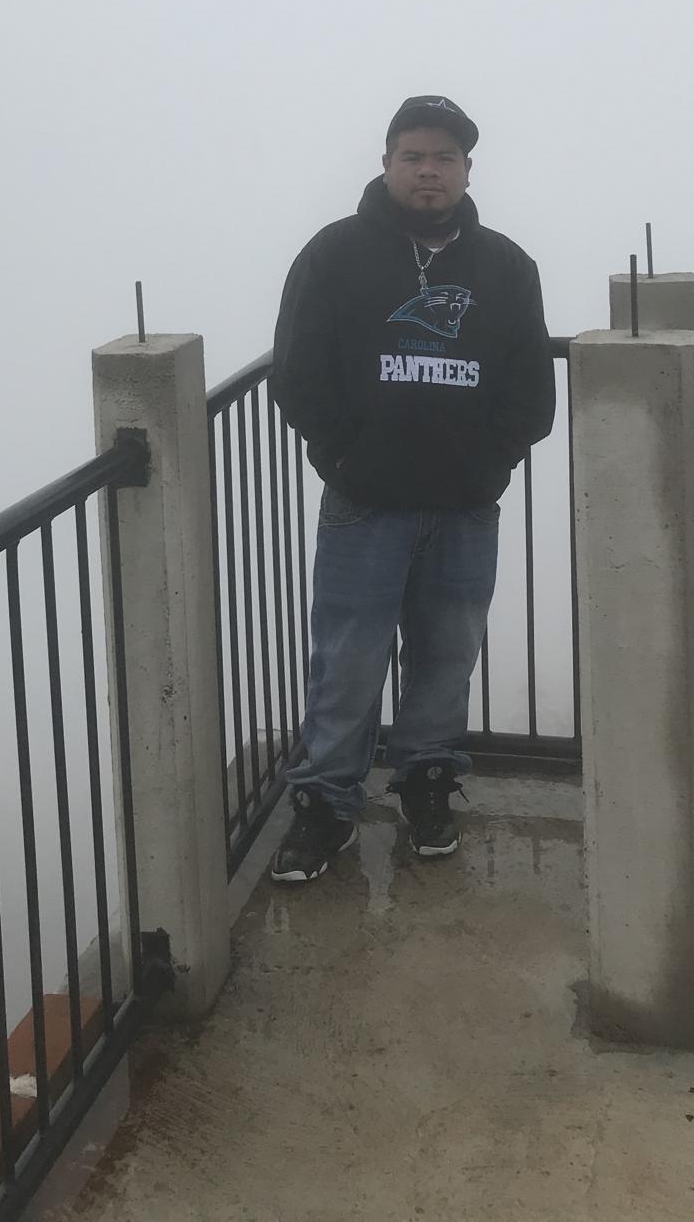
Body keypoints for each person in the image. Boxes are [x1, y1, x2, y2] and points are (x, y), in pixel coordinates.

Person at [268, 95, 556, 882]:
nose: (430, 171)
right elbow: (297, 373)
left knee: (446, 657)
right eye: (414, 156)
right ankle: (325, 804)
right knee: (348, 660)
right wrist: (345, 457)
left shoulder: (506, 266)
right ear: (387, 163)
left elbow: (531, 391)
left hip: (465, 507)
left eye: (445, 158)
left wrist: (489, 463)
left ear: (467, 169)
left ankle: (427, 783)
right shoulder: (333, 254)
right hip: (365, 505)